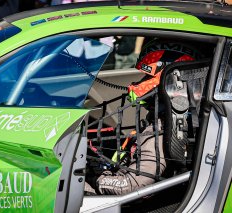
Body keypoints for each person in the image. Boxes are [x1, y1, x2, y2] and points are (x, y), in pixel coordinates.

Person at [86, 39, 202, 195]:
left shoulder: (165, 129)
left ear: (172, 83)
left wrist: (90, 176)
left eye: (147, 79)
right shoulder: (160, 121)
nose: (137, 85)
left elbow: (129, 186)